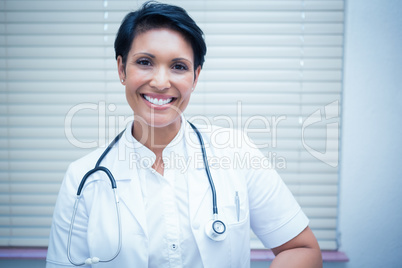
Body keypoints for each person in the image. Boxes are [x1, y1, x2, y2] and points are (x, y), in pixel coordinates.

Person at [46, 1, 322, 267]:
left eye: (178, 66)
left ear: (195, 77)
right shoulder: (82, 178)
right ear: (121, 69)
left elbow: (300, 248)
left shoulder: (238, 152)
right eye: (145, 62)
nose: (161, 82)